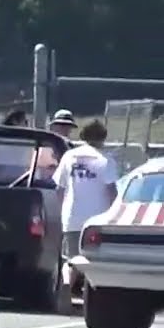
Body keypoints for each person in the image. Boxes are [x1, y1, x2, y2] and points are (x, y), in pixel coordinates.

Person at [52, 120, 118, 281]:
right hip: (97, 221)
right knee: (94, 261)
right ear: (103, 138)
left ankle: (67, 285)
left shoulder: (69, 156)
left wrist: (62, 213)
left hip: (72, 217)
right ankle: (90, 294)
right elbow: (112, 192)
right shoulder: (106, 160)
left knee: (71, 260)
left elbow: (59, 189)